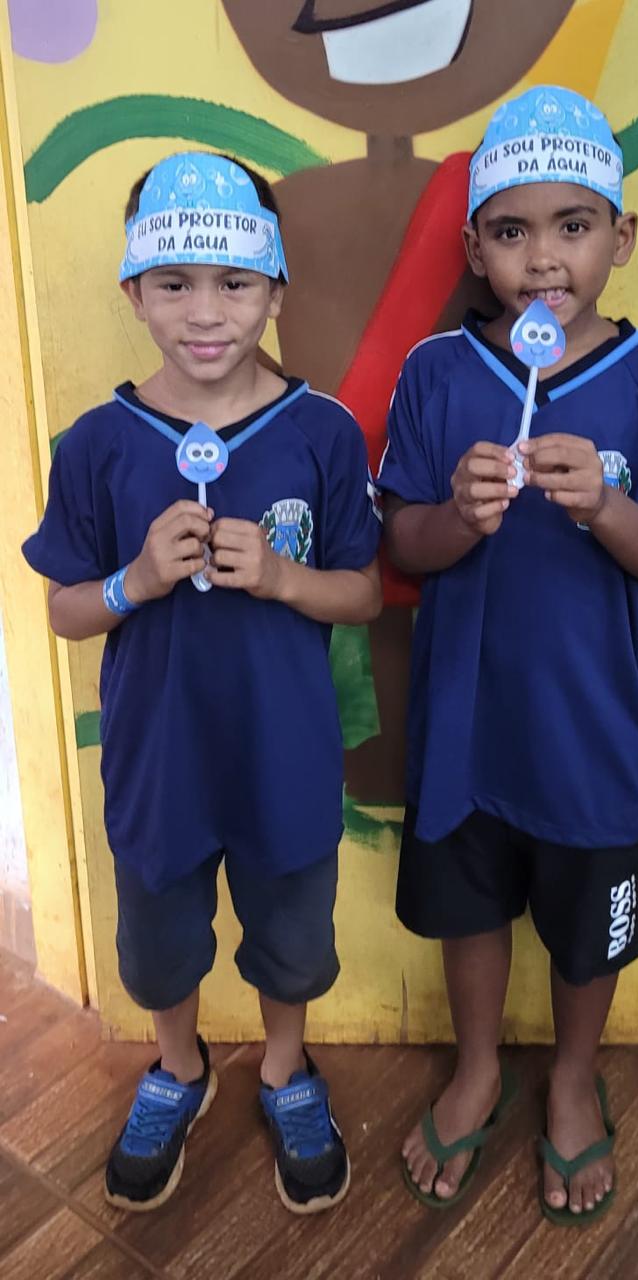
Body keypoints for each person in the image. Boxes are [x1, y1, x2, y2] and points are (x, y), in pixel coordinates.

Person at [23, 151, 382, 1216]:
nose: (206, 312)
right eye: (174, 282)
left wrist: (279, 576)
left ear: (276, 288)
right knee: (158, 946)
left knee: (292, 943)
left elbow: (363, 592)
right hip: (158, 762)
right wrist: (133, 581)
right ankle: (178, 1067)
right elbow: (64, 608)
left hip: (286, 758)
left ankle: (283, 1067)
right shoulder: (97, 444)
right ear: (134, 292)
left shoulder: (322, 433)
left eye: (234, 281)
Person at [378, 85, 638, 1224]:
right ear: (476, 250)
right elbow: (400, 542)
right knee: (468, 911)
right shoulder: (435, 372)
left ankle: (572, 1076)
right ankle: (478, 1068)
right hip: (464, 731)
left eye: (574, 226)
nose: (543, 259)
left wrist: (606, 506)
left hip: (590, 736)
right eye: (512, 232)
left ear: (622, 236)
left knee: (585, 932)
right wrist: (456, 517)